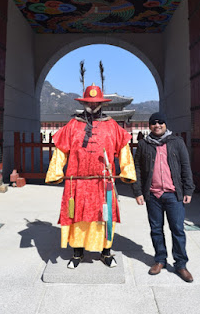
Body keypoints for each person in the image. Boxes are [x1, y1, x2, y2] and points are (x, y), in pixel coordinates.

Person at [45, 82, 136, 269]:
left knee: (104, 216)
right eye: (89, 102)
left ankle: (105, 252)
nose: (93, 105)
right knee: (77, 216)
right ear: (84, 103)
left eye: (96, 102)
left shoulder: (112, 126)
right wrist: (56, 171)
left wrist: (127, 170)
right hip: (76, 181)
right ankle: (77, 252)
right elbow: (60, 150)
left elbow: (124, 149)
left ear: (102, 103)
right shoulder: (73, 125)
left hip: (103, 183)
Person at [132, 112, 195, 282]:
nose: (157, 125)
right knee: (156, 230)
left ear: (165, 124)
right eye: (153, 123)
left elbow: (185, 166)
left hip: (173, 194)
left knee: (177, 230)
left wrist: (188, 190)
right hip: (153, 195)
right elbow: (136, 168)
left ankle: (181, 264)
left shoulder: (176, 142)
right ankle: (160, 260)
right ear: (149, 126)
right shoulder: (144, 144)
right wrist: (137, 191)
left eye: (160, 122)